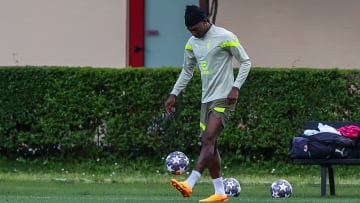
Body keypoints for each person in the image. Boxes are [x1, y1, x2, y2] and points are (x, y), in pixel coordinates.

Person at [164, 5, 251, 202]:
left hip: (224, 97)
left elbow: (245, 61)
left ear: (205, 21)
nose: (193, 33)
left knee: (207, 139)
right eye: (189, 31)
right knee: (211, 145)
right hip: (207, 99)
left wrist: (235, 87)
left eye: (195, 28)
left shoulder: (225, 36)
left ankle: (190, 183)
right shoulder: (191, 43)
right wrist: (173, 94)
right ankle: (220, 192)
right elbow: (187, 71)